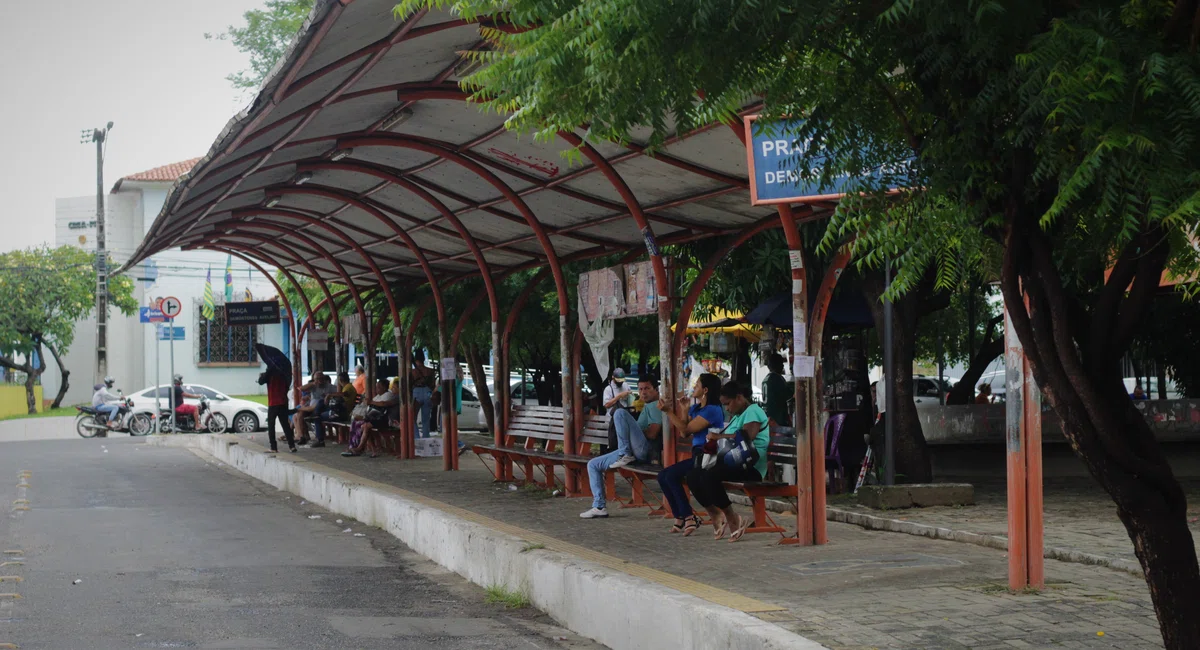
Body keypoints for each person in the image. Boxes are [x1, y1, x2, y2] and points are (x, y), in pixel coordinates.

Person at [685, 381, 769, 542]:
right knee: (693, 476)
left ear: (739, 398)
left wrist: (718, 437)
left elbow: (746, 438)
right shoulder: (737, 416)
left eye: (728, 404)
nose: (727, 409)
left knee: (710, 476)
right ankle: (715, 513)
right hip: (734, 463)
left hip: (751, 467)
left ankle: (732, 517)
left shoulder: (753, 411)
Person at [579, 378, 664, 519]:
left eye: (647, 388)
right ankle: (599, 506)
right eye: (641, 389)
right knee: (593, 464)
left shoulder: (655, 405)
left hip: (644, 451)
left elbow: (653, 433)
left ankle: (624, 454)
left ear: (656, 390)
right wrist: (633, 431)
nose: (643, 392)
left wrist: (633, 431)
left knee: (619, 413)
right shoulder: (646, 406)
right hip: (633, 449)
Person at [656, 373, 725, 536]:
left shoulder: (713, 410)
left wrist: (668, 412)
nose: (694, 387)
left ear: (706, 390)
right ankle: (680, 516)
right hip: (697, 455)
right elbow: (684, 434)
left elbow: (686, 429)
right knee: (662, 476)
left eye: (698, 385)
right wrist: (685, 410)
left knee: (671, 475)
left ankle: (689, 516)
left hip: (708, 456)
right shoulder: (697, 408)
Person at [343, 379, 397, 458]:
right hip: (374, 418)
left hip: (383, 419)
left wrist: (371, 402)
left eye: (379, 387)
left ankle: (360, 448)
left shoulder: (388, 395)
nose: (376, 389)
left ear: (385, 388)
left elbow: (383, 404)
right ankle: (357, 446)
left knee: (365, 426)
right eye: (376, 387)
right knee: (358, 423)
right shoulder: (378, 396)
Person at [314, 371, 356, 446]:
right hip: (339, 411)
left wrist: (330, 395)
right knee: (321, 402)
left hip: (341, 413)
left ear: (340, 380)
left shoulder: (348, 387)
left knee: (318, 418)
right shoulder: (348, 386)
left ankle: (320, 441)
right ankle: (316, 414)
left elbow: (344, 394)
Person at [261, 370, 296, 453]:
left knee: (271, 425)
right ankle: (292, 446)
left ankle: (273, 447)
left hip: (273, 402)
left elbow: (260, 381)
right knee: (285, 425)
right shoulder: (284, 373)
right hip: (283, 401)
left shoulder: (269, 373)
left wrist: (263, 374)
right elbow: (288, 386)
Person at [294, 372, 332, 446]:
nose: (320, 380)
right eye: (317, 379)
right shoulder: (313, 386)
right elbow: (301, 388)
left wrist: (330, 395)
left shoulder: (329, 387)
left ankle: (318, 439)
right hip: (312, 408)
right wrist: (313, 384)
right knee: (300, 414)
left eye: (321, 378)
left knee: (306, 412)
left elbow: (340, 393)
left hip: (320, 408)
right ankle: (302, 436)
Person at [411, 350, 436, 438]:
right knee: (426, 418)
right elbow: (433, 384)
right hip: (427, 392)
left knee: (412, 418)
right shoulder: (430, 371)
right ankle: (425, 436)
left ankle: (416, 437)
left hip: (416, 393)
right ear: (424, 358)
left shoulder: (412, 372)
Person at [761, 353, 791, 427]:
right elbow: (789, 394)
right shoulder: (777, 378)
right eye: (781, 363)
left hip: (767, 418)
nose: (783, 366)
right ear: (778, 365)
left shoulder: (765, 379)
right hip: (777, 420)